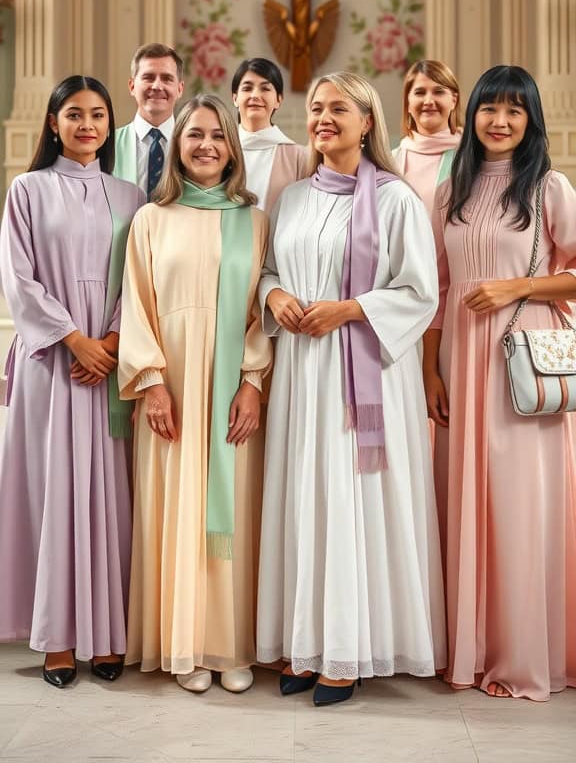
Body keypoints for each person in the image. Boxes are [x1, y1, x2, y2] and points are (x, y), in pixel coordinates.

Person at [257, 72, 446, 706]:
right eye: (315, 108)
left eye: (339, 107)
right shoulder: (291, 199)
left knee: (351, 502)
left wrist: (349, 309)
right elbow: (270, 271)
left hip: (362, 375)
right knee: (308, 498)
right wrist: (276, 295)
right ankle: (306, 644)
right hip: (302, 378)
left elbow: (420, 293)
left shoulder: (394, 200)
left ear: (368, 122)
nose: (323, 117)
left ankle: (349, 650)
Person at [423, 65, 576, 701]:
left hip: (520, 360)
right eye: (491, 109)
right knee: (461, 500)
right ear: (473, 114)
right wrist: (431, 367)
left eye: (515, 110)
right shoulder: (447, 189)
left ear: (531, 119)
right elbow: (432, 285)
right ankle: (467, 648)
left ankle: (521, 656)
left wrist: (518, 286)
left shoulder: (549, 187)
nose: (500, 121)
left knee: (519, 507)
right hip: (458, 358)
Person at [118, 94, 271, 695]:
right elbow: (136, 303)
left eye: (217, 135)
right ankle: (184, 644)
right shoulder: (151, 220)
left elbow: (262, 309)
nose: (206, 145)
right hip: (172, 391)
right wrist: (152, 382)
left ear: (233, 146)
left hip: (232, 390)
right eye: (193, 136)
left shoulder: (254, 221)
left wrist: (254, 383)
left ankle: (229, 646)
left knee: (229, 517)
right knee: (178, 513)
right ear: (176, 147)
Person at [0, 76, 143, 688]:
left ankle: (107, 634)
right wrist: (73, 340)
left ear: (110, 125)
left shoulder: (132, 195)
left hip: (110, 364)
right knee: (52, 490)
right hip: (52, 363)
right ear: (54, 123)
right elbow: (18, 275)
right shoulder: (27, 189)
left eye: (98, 115)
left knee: (109, 495)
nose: (87, 125)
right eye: (75, 114)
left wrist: (110, 342)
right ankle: (58, 638)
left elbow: (142, 279)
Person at [232, 57, 308, 213]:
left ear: (278, 100)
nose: (255, 95)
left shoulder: (299, 157)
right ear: (235, 98)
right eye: (247, 88)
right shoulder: (221, 150)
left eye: (265, 89)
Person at [114, 43, 184, 199]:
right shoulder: (108, 145)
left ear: (180, 89)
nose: (157, 86)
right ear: (132, 86)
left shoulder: (192, 146)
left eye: (167, 79)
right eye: (148, 77)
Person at [392, 60, 462, 216]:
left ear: (453, 100)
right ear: (408, 103)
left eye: (438, 91)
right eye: (420, 92)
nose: (429, 101)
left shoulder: (473, 157)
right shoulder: (389, 162)